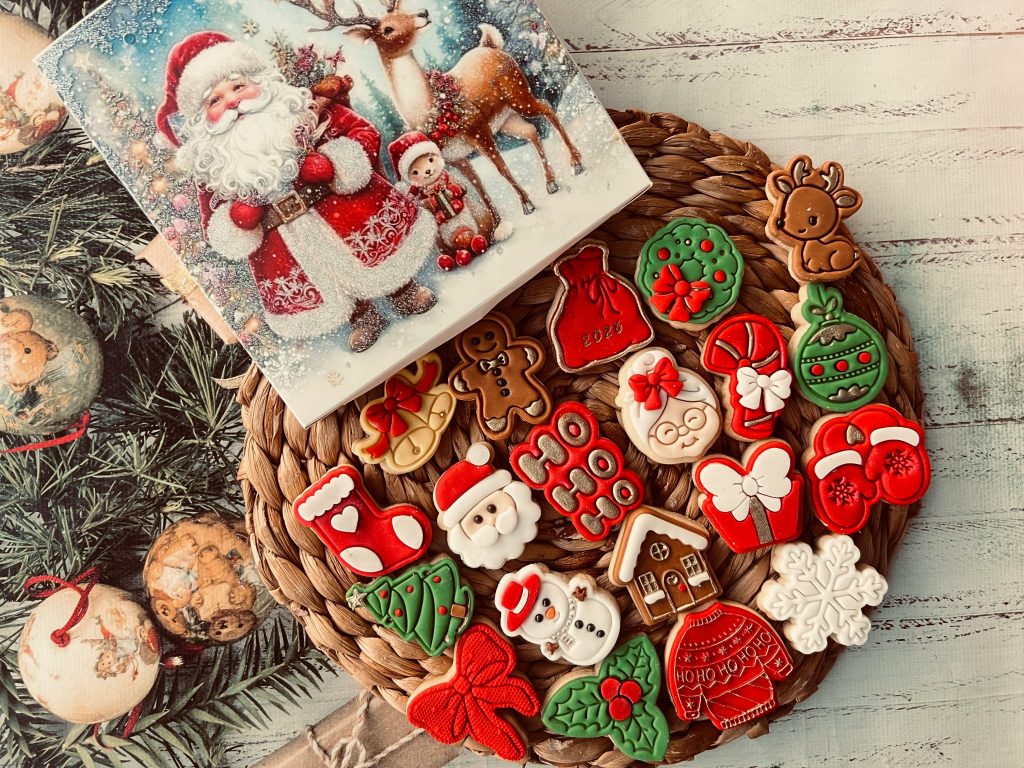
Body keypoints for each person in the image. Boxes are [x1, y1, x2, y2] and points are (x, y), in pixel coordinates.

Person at [155, 32, 437, 350]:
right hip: (282, 244)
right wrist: (235, 222)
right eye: (215, 101)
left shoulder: (302, 114)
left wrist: (336, 162)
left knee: (371, 257)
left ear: (260, 81)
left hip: (346, 214)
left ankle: (402, 291)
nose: (233, 101)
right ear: (201, 120)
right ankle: (362, 317)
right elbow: (214, 225)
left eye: (238, 86)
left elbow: (362, 132)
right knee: (322, 278)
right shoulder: (216, 171)